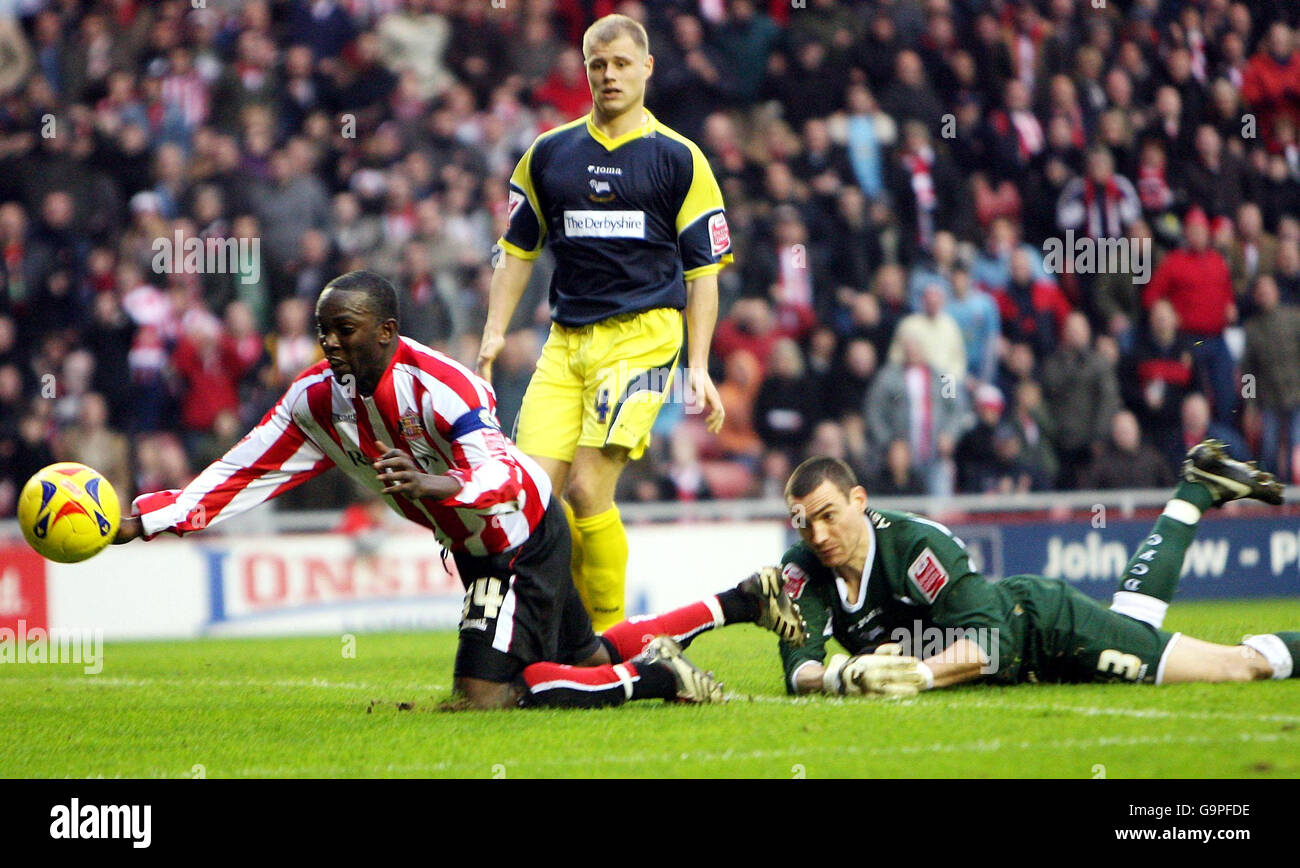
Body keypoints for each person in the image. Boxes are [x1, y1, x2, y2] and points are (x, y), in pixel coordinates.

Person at [112, 271, 804, 709]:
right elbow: (245, 468)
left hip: (516, 540)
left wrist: (434, 480)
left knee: (484, 698)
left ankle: (658, 678)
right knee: (585, 657)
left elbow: (499, 474)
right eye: (323, 331)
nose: (328, 344)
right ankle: (738, 601)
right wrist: (146, 520)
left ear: (386, 331)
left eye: (343, 331)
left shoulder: (445, 386)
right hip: (490, 542)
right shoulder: (315, 401)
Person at [477, 14, 730, 632]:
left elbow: (704, 273)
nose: (609, 75)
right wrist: (492, 333)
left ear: (646, 67)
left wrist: (698, 364)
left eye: (621, 63)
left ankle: (611, 643)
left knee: (588, 492)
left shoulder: (679, 159)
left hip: (644, 338)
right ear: (585, 71)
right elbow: (517, 251)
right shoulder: (549, 154)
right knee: (532, 501)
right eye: (597, 64)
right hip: (565, 344)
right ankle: (554, 637)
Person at [774, 450, 1297, 698]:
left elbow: (992, 642)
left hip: (1047, 632)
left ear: (858, 502)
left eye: (828, 516)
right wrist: (837, 676)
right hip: (1029, 648)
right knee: (1134, 619)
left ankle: (1196, 492)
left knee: (1236, 668)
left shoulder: (915, 547)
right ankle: (1196, 491)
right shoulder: (802, 567)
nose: (818, 534)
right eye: (805, 523)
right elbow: (799, 666)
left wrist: (920, 675)